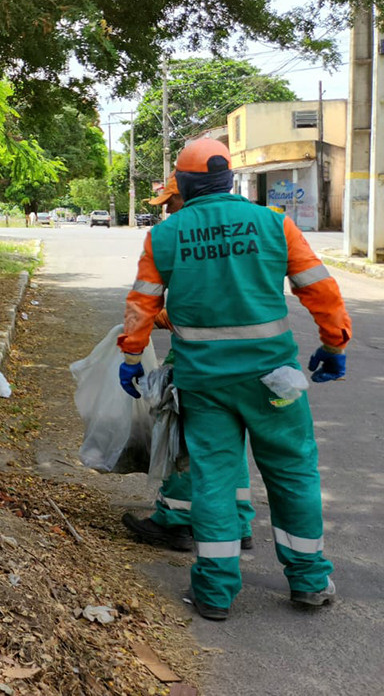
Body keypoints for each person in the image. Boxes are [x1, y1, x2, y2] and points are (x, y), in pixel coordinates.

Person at [118, 138, 351, 621]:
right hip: (275, 383)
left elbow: (143, 302)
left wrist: (132, 355)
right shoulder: (274, 224)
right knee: (292, 475)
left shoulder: (166, 234)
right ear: (229, 180)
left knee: (214, 481)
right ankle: (308, 580)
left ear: (182, 184)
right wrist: (334, 344)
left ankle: (215, 592)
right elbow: (320, 289)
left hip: (203, 385)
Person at [120, 172, 255, 552]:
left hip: (199, 358)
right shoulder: (248, 229)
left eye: (170, 203)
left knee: (181, 436)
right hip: (253, 356)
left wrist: (133, 352)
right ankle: (238, 520)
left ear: (189, 194)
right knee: (231, 441)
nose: (168, 212)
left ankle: (175, 519)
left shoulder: (178, 233)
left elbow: (148, 300)